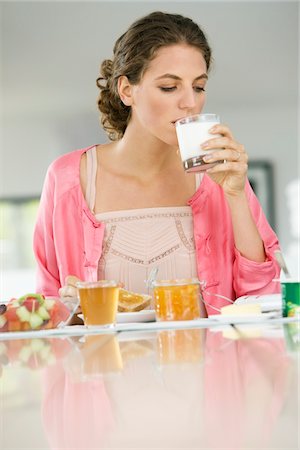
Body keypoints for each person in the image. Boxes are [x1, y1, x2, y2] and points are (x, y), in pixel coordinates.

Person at [33, 11, 280, 315]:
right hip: (103, 363)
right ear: (126, 90)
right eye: (169, 87)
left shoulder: (218, 179)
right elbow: (47, 309)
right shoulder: (69, 177)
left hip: (211, 362)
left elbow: (265, 299)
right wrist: (72, 310)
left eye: (199, 86)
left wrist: (236, 196)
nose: (190, 102)